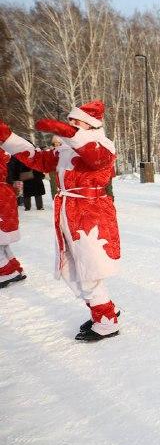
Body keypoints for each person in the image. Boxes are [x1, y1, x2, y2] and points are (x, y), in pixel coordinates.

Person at [0, 100, 122, 341]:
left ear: (89, 125)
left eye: (75, 122)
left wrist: (67, 132)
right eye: (69, 122)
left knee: (88, 271)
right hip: (68, 212)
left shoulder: (102, 145)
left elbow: (96, 158)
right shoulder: (65, 149)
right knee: (70, 269)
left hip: (91, 215)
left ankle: (106, 320)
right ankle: (103, 308)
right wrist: (7, 137)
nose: (70, 125)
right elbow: (36, 158)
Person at [0, 150, 26, 288]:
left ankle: (7, 274)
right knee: (3, 244)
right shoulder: (5, 185)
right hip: (6, 216)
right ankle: (15, 269)